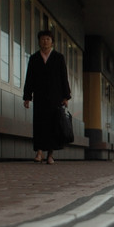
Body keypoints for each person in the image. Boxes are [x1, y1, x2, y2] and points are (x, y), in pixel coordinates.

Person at [23, 29, 72, 164]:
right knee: (39, 124)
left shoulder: (58, 57)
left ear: (52, 42)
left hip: (55, 97)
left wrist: (65, 97)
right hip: (39, 97)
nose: (45, 42)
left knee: (53, 125)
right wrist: (27, 96)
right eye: (43, 39)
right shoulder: (34, 58)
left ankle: (50, 154)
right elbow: (29, 79)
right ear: (39, 41)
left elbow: (64, 78)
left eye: (48, 39)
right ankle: (39, 152)